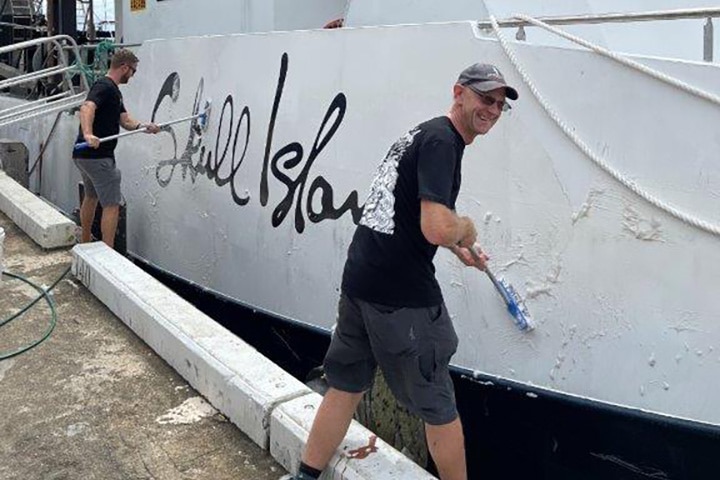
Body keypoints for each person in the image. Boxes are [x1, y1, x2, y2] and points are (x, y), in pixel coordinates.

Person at [294, 63, 519, 480]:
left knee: (345, 385)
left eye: (500, 105)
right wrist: (465, 229)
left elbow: (406, 214)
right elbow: (436, 225)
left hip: (360, 279)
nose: (492, 109)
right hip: (400, 296)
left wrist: (458, 248)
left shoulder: (422, 133)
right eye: (486, 98)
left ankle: (306, 475)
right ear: (459, 93)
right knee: (439, 405)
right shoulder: (444, 143)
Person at [73, 48, 160, 249]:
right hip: (98, 157)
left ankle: (85, 242)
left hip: (84, 156)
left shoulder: (114, 91)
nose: (133, 75)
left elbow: (125, 120)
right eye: (133, 71)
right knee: (111, 205)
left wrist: (144, 126)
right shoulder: (105, 86)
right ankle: (108, 254)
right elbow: (87, 107)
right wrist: (88, 134)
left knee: (91, 196)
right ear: (124, 67)